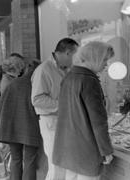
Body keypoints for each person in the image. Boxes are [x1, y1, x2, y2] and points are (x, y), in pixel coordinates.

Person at [53, 41, 114, 180]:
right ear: (95, 57)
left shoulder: (69, 76)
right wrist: (106, 150)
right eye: (104, 59)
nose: (106, 64)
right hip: (86, 148)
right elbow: (98, 122)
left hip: (68, 146)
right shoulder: (89, 80)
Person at [31, 38, 79, 180]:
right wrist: (64, 104)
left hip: (65, 122)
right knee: (56, 166)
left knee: (66, 166)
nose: (76, 59)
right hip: (51, 122)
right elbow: (37, 99)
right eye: (75, 54)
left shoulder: (66, 69)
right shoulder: (44, 69)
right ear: (67, 53)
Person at [0, 58, 42, 180]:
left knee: (16, 159)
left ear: (26, 69)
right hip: (30, 128)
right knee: (30, 160)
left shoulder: (13, 84)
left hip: (12, 128)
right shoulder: (37, 85)